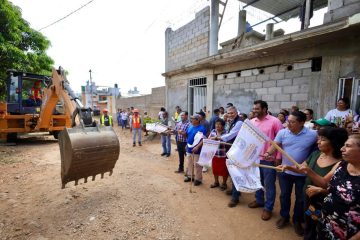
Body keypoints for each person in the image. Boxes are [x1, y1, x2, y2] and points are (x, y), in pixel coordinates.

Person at [281, 127, 348, 240]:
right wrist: (288, 167)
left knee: (320, 226)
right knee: (309, 222)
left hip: (323, 202)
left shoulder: (340, 163)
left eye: (323, 139)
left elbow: (324, 183)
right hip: (309, 197)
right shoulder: (316, 154)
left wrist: (309, 171)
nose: (318, 142)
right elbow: (301, 167)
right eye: (318, 138)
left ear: (334, 142)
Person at [264, 111, 317, 236]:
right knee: (284, 195)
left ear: (302, 123)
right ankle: (284, 216)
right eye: (288, 121)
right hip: (285, 171)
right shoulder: (283, 132)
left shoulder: (312, 135)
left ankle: (297, 220)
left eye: (292, 122)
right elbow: (275, 145)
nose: (288, 124)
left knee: (300, 198)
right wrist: (268, 153)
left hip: (302, 174)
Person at [306, 134, 360, 240]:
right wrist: (321, 189)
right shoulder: (341, 165)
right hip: (326, 223)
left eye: (348, 146)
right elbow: (326, 183)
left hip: (348, 232)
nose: (342, 149)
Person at [245, 100, 283, 221]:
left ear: (265, 109)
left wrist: (278, 157)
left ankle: (268, 208)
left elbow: (281, 141)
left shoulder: (275, 121)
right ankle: (259, 200)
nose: (254, 111)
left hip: (269, 159)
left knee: (269, 184)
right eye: (254, 109)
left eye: (257, 109)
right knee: (257, 180)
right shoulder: (252, 122)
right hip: (254, 158)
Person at [217, 106, 243, 207]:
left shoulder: (239, 122)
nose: (230, 115)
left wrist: (219, 137)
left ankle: (235, 197)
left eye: (232, 113)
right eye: (228, 113)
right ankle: (234, 190)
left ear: (236, 112)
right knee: (232, 172)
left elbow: (231, 135)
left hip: (237, 151)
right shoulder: (230, 121)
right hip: (230, 149)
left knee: (235, 172)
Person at [184, 114, 207, 186]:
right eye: (191, 118)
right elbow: (187, 135)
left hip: (197, 150)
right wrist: (183, 134)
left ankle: (198, 179)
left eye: (193, 119)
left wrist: (197, 147)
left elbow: (203, 140)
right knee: (189, 163)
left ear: (197, 120)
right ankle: (190, 176)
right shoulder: (190, 126)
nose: (191, 120)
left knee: (197, 165)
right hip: (189, 148)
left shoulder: (202, 128)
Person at [208, 118, 228, 190]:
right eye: (216, 124)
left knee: (224, 170)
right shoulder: (213, 131)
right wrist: (214, 138)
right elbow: (209, 138)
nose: (217, 125)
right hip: (214, 154)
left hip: (223, 155)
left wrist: (218, 138)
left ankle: (224, 183)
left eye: (219, 124)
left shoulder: (226, 132)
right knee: (215, 169)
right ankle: (216, 182)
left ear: (223, 126)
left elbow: (227, 141)